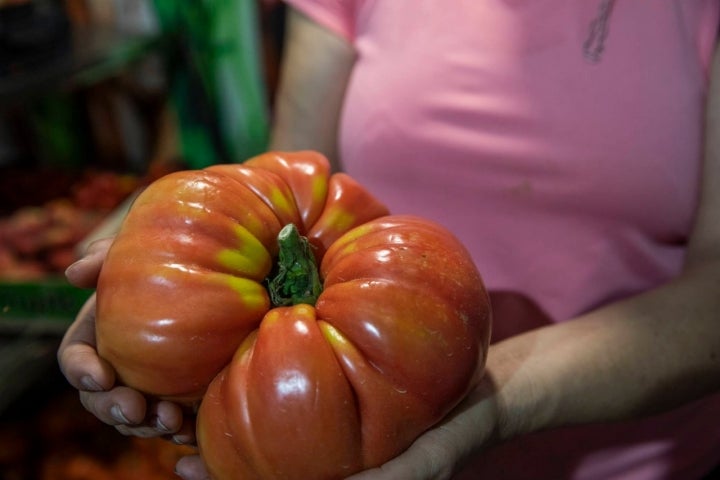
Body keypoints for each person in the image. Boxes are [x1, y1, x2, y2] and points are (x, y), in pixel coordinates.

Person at [58, 1, 720, 479]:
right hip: (344, 441)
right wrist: (159, 275)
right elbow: (288, 177)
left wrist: (497, 399)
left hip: (632, 457)